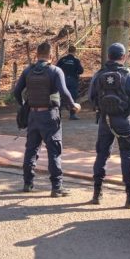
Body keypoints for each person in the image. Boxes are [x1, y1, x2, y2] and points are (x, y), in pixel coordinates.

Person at [13, 41, 81, 197]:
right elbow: (64, 92)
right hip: (50, 115)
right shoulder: (55, 71)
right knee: (54, 151)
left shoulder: (28, 71)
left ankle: (28, 183)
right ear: (51, 56)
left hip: (33, 115)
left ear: (37, 55)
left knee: (31, 150)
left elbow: (17, 92)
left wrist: (24, 106)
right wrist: (73, 106)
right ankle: (56, 187)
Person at [89, 42, 130, 208]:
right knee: (127, 156)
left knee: (102, 155)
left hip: (105, 121)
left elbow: (91, 97)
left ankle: (97, 194)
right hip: (125, 121)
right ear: (123, 57)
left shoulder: (99, 74)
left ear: (108, 56)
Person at [55, 45, 84, 120]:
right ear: (75, 51)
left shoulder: (62, 59)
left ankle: (58, 114)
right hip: (73, 81)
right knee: (72, 97)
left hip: (63, 80)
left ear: (68, 51)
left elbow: (56, 68)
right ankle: (72, 114)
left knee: (61, 96)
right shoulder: (76, 60)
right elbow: (81, 71)